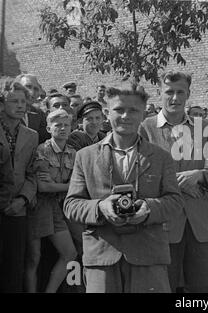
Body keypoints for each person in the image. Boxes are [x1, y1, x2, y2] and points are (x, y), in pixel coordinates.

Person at [64, 87, 183, 293]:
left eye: (134, 110)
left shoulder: (161, 157)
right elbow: (71, 205)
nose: (126, 116)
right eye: (119, 109)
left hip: (148, 254)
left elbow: (175, 201)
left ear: (144, 114)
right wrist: (101, 207)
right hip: (101, 255)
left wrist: (148, 208)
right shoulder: (85, 156)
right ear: (107, 113)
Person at [138, 71, 208, 293]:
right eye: (169, 92)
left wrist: (199, 175)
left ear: (188, 94)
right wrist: (178, 183)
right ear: (159, 93)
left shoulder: (203, 128)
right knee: (163, 286)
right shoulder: (145, 128)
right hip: (163, 224)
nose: (174, 98)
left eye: (180, 92)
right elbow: (141, 178)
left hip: (199, 223)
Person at [25, 109, 77, 293]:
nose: (62, 128)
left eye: (66, 125)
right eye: (58, 125)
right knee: (34, 258)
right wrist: (69, 186)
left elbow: (78, 184)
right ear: (48, 128)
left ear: (71, 128)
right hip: (38, 206)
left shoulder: (73, 153)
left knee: (70, 253)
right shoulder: (43, 149)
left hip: (56, 207)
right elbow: (43, 187)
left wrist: (62, 186)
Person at [0, 77, 38, 292]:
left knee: (14, 267)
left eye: (23, 101)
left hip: (18, 210)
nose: (20, 105)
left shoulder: (31, 136)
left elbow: (33, 173)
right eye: (14, 101)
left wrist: (22, 199)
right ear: (2, 103)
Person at [15, 74, 50, 144]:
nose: (32, 92)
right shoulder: (5, 111)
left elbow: (44, 139)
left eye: (36, 89)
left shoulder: (39, 114)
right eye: (28, 87)